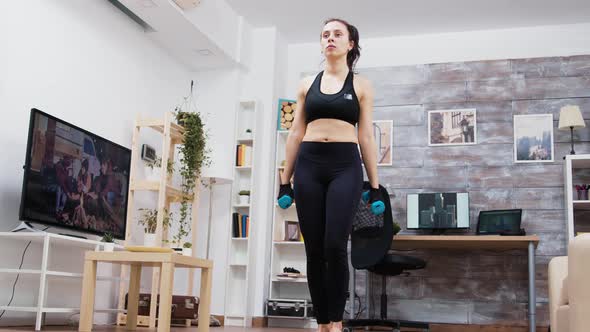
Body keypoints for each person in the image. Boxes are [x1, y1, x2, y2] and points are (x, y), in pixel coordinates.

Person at [277, 18, 382, 332]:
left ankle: (336, 322)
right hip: (309, 165)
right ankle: (322, 322)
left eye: (338, 34)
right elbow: (295, 133)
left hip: (344, 166)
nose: (330, 39)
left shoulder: (361, 85)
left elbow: (365, 137)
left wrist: (374, 187)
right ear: (321, 44)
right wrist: (285, 180)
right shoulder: (306, 84)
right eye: (325, 35)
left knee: (336, 245)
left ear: (350, 44)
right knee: (314, 250)